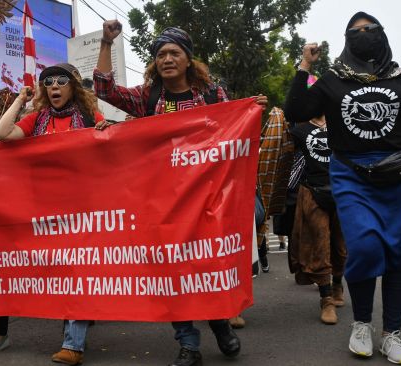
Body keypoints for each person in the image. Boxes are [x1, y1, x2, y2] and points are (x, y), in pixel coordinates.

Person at [284, 12, 401, 365]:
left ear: (382, 36)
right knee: (366, 248)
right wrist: (305, 66)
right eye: (355, 32)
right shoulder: (332, 81)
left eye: (369, 30)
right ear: (345, 39)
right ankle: (362, 324)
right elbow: (295, 110)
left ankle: (391, 335)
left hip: (400, 177)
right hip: (352, 176)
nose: (363, 35)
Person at [94, 20, 268, 366]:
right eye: (160, 54)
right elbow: (104, 89)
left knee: (205, 266)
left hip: (208, 199)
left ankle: (220, 325)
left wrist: (252, 110)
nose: (167, 59)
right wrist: (106, 43)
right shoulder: (148, 97)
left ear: (189, 60)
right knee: (172, 272)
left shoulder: (211, 95)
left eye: (174, 53)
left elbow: (233, 136)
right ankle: (188, 344)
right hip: (164, 203)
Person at [0, 63, 105, 366]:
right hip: (45, 213)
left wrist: (105, 133)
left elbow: (109, 152)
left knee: (77, 274)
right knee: (60, 274)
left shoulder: (88, 118)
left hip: (83, 211)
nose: (53, 86)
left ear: (72, 87)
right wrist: (21, 99)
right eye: (48, 82)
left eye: (60, 81)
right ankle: (78, 320)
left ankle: (73, 344)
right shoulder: (37, 119)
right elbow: (1, 133)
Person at [289, 114, 347, 325]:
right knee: (319, 243)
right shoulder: (299, 130)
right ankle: (326, 299)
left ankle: (338, 284)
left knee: (340, 245)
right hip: (313, 191)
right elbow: (282, 154)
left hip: (343, 190)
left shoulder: (342, 123)